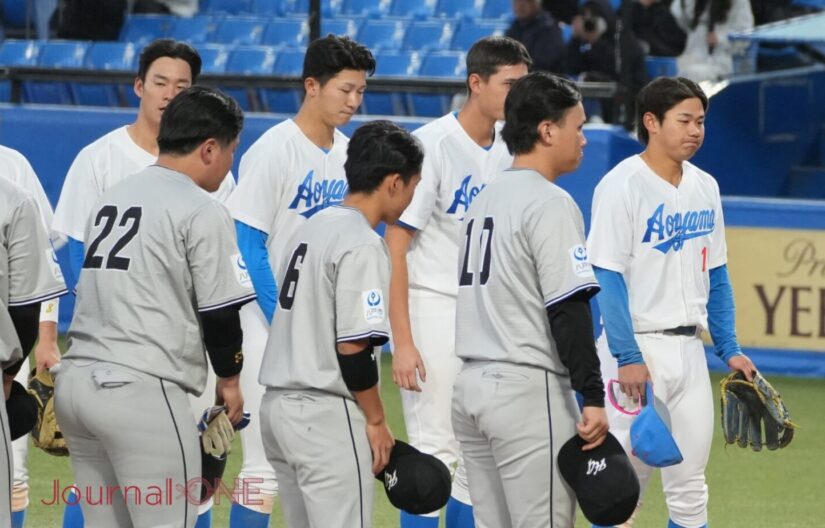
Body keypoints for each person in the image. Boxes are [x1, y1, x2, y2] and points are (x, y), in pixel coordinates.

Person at [51, 38, 234, 528]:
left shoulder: (115, 195)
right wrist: (231, 382)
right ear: (210, 147)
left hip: (80, 381)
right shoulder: (201, 205)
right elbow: (220, 312)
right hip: (143, 387)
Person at [586, 76, 757, 528]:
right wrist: (627, 356)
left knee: (690, 487)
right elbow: (606, 275)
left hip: (688, 351)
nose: (695, 130)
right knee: (619, 489)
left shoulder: (706, 187)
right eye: (684, 120)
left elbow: (716, 273)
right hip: (634, 350)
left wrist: (730, 346)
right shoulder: (621, 185)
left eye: (700, 121)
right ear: (651, 122)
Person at [223, 34, 375, 528]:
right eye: (345, 90)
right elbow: (248, 248)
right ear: (312, 85)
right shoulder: (275, 151)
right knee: (263, 471)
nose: (354, 101)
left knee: (324, 464)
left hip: (326, 331)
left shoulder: (351, 154)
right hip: (267, 325)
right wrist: (286, 321)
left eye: (360, 92)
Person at [385, 36, 531, 528]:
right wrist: (402, 341)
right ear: (476, 82)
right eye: (510, 83)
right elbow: (395, 242)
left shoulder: (512, 150)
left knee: (477, 459)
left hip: (486, 317)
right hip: (434, 307)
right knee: (434, 455)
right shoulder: (432, 145)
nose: (518, 94)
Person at [451, 71, 608, 527]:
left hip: (471, 388)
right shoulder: (551, 202)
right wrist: (592, 394)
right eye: (577, 127)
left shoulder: (483, 198)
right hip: (525, 388)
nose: (583, 139)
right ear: (547, 130)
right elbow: (568, 308)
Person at [258, 120, 423, 528]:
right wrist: (377, 419)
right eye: (413, 185)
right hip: (324, 417)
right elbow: (353, 348)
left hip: (277, 411)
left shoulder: (311, 227)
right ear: (393, 183)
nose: (412, 197)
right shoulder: (363, 243)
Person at [0, 145, 63, 528]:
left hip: (7, 353)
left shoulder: (13, 165)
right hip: (4, 358)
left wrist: (47, 337)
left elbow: (39, 270)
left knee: (14, 473)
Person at [566, 0, 648, 126]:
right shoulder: (584, 44)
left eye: (593, 18)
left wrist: (596, 42)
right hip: (590, 98)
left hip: (622, 101)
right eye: (585, 17)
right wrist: (575, 39)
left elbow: (619, 73)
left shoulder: (623, 40)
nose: (590, 23)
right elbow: (571, 68)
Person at [671, 0, 754, 81]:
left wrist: (720, 39)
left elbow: (744, 35)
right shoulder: (696, 5)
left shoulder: (739, 2)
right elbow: (680, 15)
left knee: (691, 74)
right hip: (693, 55)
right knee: (672, 71)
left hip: (720, 61)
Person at [506, 0, 565, 73]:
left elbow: (543, 63)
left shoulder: (548, 27)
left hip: (543, 80)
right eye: (517, 1)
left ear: (537, 3)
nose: (520, 5)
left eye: (526, 1)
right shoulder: (515, 27)